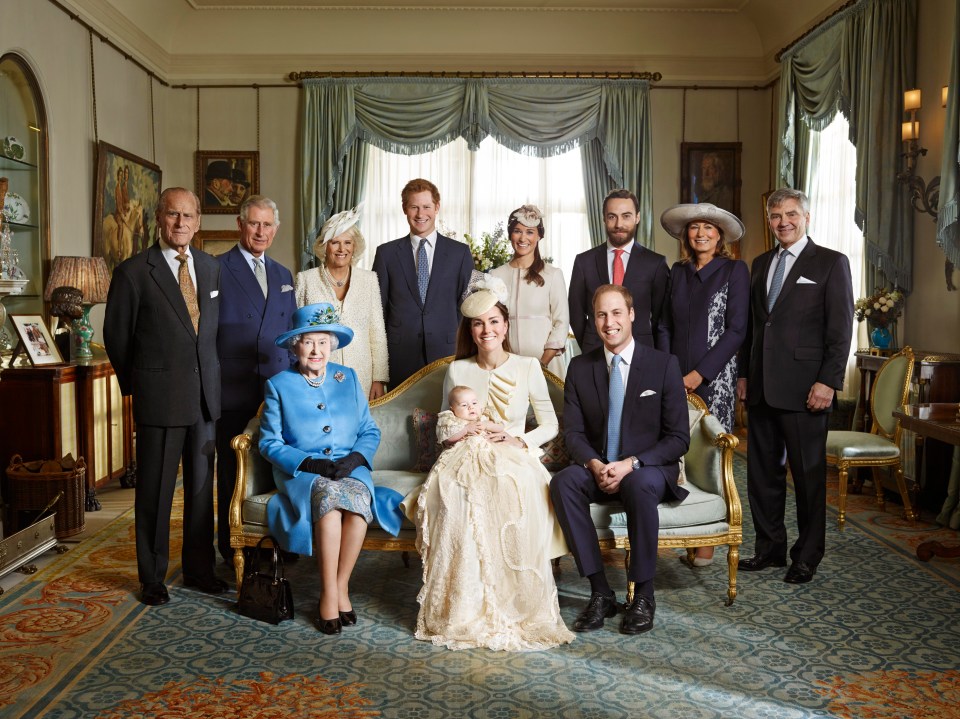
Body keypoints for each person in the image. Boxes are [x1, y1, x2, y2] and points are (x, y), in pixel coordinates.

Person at [403, 275, 573, 651]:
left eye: (494, 321)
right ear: (470, 329)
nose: (486, 330)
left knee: (511, 493)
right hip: (466, 454)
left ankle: (515, 606)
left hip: (514, 454)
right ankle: (465, 607)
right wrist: (458, 434)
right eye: (478, 323)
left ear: (506, 324)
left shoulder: (528, 367)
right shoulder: (458, 369)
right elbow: (444, 423)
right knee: (458, 498)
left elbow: (550, 424)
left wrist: (518, 439)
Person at [103, 187, 223, 606]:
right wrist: (141, 385)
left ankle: (198, 569)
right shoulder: (135, 272)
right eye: (173, 215)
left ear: (198, 222)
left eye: (188, 216)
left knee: (201, 491)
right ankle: (152, 577)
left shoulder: (210, 268)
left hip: (205, 398)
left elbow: (211, 334)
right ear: (158, 218)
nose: (181, 224)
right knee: (154, 492)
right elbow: (117, 338)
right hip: (160, 398)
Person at [550, 285, 689, 636]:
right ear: (593, 321)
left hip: (646, 469)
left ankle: (643, 594)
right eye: (600, 314)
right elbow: (574, 435)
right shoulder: (580, 368)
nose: (608, 322)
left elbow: (678, 438)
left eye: (615, 313)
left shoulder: (663, 365)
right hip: (600, 466)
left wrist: (631, 464)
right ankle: (600, 592)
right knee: (563, 482)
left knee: (640, 485)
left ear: (631, 315)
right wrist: (595, 465)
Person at [259, 303, 404, 635]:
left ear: (332, 346)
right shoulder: (279, 385)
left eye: (323, 342)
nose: (316, 350)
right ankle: (329, 594)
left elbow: (369, 431)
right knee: (329, 502)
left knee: (356, 506)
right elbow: (268, 443)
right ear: (295, 347)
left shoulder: (348, 378)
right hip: (305, 472)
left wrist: (355, 460)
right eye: (308, 342)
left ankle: (339, 588)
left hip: (348, 466)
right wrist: (309, 463)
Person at [736, 188, 854, 585]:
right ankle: (769, 548)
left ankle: (806, 555)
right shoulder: (760, 263)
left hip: (807, 390)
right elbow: (755, 326)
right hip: (762, 387)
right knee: (761, 475)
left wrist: (828, 381)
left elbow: (840, 330)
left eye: (790, 214)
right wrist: (744, 374)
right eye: (775, 215)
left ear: (806, 217)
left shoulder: (831, 263)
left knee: (807, 476)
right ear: (768, 220)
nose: (782, 221)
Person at [659, 202, 749, 567]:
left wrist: (699, 375)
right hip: (675, 378)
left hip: (716, 379)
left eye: (709, 228)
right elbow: (664, 325)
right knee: (678, 451)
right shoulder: (677, 272)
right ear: (686, 234)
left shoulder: (734, 271)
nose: (701, 234)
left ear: (720, 235)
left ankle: (709, 537)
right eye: (695, 227)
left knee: (711, 455)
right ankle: (686, 525)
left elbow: (737, 330)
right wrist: (671, 372)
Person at [215, 195, 297, 563]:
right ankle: (232, 543)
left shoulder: (282, 274)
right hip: (233, 387)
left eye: (267, 225)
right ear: (240, 224)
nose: (260, 231)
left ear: (275, 230)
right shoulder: (217, 268)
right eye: (254, 223)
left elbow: (292, 333)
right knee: (233, 471)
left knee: (275, 468)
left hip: (277, 388)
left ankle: (277, 542)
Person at [372, 178, 474, 387]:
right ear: (404, 209)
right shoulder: (386, 254)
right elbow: (377, 313)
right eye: (414, 207)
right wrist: (378, 372)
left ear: (437, 207)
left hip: (447, 353)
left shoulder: (459, 253)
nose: (420, 214)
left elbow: (469, 308)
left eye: (426, 206)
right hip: (400, 357)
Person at [296, 205, 389, 399]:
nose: (342, 249)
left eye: (347, 242)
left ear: (354, 247)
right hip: (317, 373)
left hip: (362, 374)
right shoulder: (306, 279)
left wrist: (379, 379)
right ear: (324, 246)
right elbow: (296, 333)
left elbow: (377, 332)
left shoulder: (369, 279)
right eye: (335, 242)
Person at [568, 189, 670, 355]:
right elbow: (576, 313)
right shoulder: (583, 262)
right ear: (603, 219)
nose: (618, 224)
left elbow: (661, 319)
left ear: (637, 217)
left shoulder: (656, 263)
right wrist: (591, 344)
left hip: (642, 352)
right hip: (595, 352)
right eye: (612, 216)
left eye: (626, 216)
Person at [490, 204, 570, 379]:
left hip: (546, 365)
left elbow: (561, 322)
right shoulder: (495, 276)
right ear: (510, 234)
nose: (523, 238)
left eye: (530, 232)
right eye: (517, 231)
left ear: (539, 235)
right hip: (506, 367)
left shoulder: (553, 275)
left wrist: (542, 364)